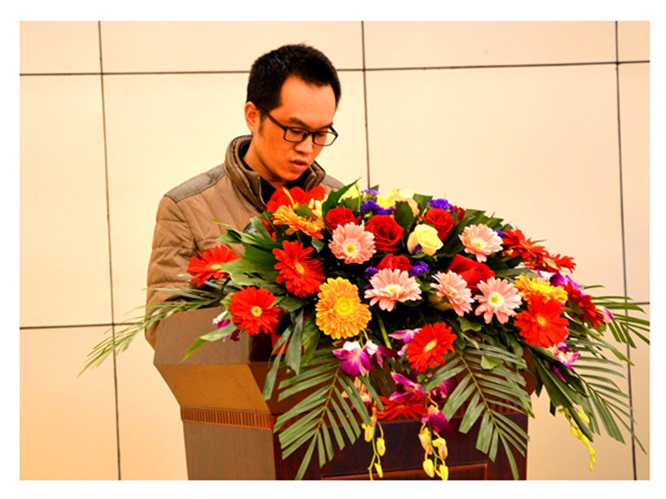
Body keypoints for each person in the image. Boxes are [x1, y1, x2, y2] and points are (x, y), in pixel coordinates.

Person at [145, 44, 345, 348]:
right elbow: (163, 329)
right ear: (253, 116)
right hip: (234, 379)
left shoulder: (338, 203)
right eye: (294, 130)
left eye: (320, 134)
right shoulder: (187, 207)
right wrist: (253, 317)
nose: (307, 148)